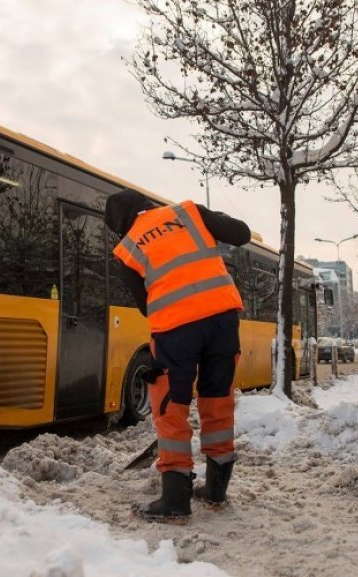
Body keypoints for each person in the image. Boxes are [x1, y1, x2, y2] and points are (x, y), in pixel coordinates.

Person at [105, 188, 251, 524]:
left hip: (175, 329)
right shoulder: (188, 212)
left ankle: (174, 500)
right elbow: (241, 233)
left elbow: (145, 305)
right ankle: (216, 492)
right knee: (217, 400)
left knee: (171, 407)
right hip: (223, 319)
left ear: (122, 226)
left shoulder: (127, 248)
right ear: (146, 205)